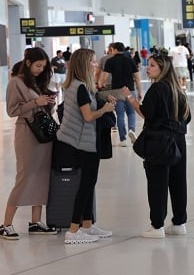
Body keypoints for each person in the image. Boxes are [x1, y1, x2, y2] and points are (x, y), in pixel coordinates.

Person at [121, 54, 192, 237]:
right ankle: (179, 223)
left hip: (160, 141)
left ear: (162, 69)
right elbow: (187, 117)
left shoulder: (157, 89)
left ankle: (157, 225)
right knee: (178, 182)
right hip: (178, 140)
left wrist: (130, 97)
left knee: (157, 183)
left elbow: (146, 113)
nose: (148, 68)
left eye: (152, 65)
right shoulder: (178, 90)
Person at [57, 49, 115, 244]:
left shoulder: (76, 86)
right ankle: (74, 230)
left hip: (80, 141)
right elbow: (88, 116)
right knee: (85, 186)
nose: (96, 64)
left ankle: (87, 225)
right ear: (84, 64)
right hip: (84, 143)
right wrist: (105, 109)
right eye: (92, 61)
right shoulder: (81, 88)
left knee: (89, 185)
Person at [0, 47, 58, 240]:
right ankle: (6, 224)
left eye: (43, 66)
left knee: (42, 177)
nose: (41, 69)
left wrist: (48, 102)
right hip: (27, 134)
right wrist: (36, 103)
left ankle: (35, 222)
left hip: (43, 136)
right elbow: (12, 110)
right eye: (38, 65)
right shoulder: (16, 82)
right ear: (28, 63)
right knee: (24, 178)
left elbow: (41, 105)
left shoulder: (36, 82)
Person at [99, 42, 142, 147]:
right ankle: (131, 130)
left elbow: (104, 77)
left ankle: (123, 139)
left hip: (117, 92)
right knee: (131, 113)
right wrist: (140, 91)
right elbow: (137, 77)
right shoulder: (130, 60)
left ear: (114, 49)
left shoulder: (110, 61)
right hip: (130, 90)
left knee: (120, 115)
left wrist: (101, 85)